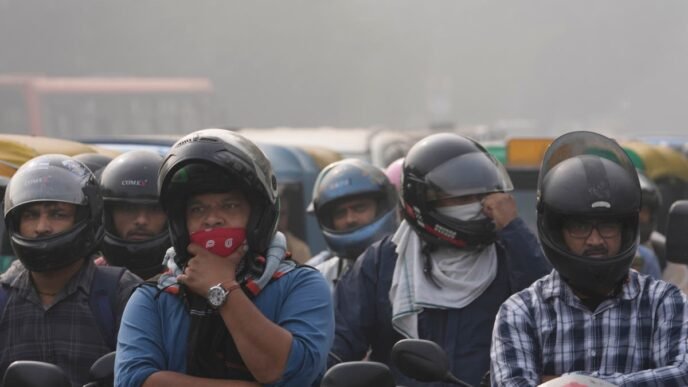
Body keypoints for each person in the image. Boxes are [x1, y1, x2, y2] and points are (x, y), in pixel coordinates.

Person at [115, 129, 334, 386]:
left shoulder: (300, 285)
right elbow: (133, 380)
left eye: (229, 206)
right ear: (181, 223)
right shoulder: (154, 297)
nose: (212, 219)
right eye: (198, 209)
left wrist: (223, 289)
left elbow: (290, 372)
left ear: (258, 216)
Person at [329, 133, 550, 387]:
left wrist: (513, 229)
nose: (480, 206)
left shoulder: (509, 254)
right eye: (462, 198)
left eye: (483, 196)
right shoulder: (382, 263)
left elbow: (545, 309)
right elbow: (339, 344)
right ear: (423, 200)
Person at [491, 131, 688, 386]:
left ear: (625, 229)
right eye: (580, 227)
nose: (595, 240)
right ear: (557, 232)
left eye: (607, 226)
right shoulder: (522, 311)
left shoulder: (664, 302)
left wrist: (569, 382)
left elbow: (683, 375)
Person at [0, 154, 141, 386]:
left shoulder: (122, 294)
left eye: (57, 214)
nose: (42, 227)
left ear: (86, 218)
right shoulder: (3, 298)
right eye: (30, 215)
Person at [305, 158, 399, 292]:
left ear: (381, 208)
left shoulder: (411, 265)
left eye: (360, 208)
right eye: (340, 213)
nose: (350, 219)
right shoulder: (318, 279)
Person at [97, 150, 170, 280]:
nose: (141, 220)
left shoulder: (185, 277)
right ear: (108, 215)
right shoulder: (92, 277)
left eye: (154, 209)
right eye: (128, 209)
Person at [276, 185, 311, 264]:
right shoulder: (257, 248)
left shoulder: (300, 249)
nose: (278, 220)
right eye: (275, 214)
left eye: (283, 214)